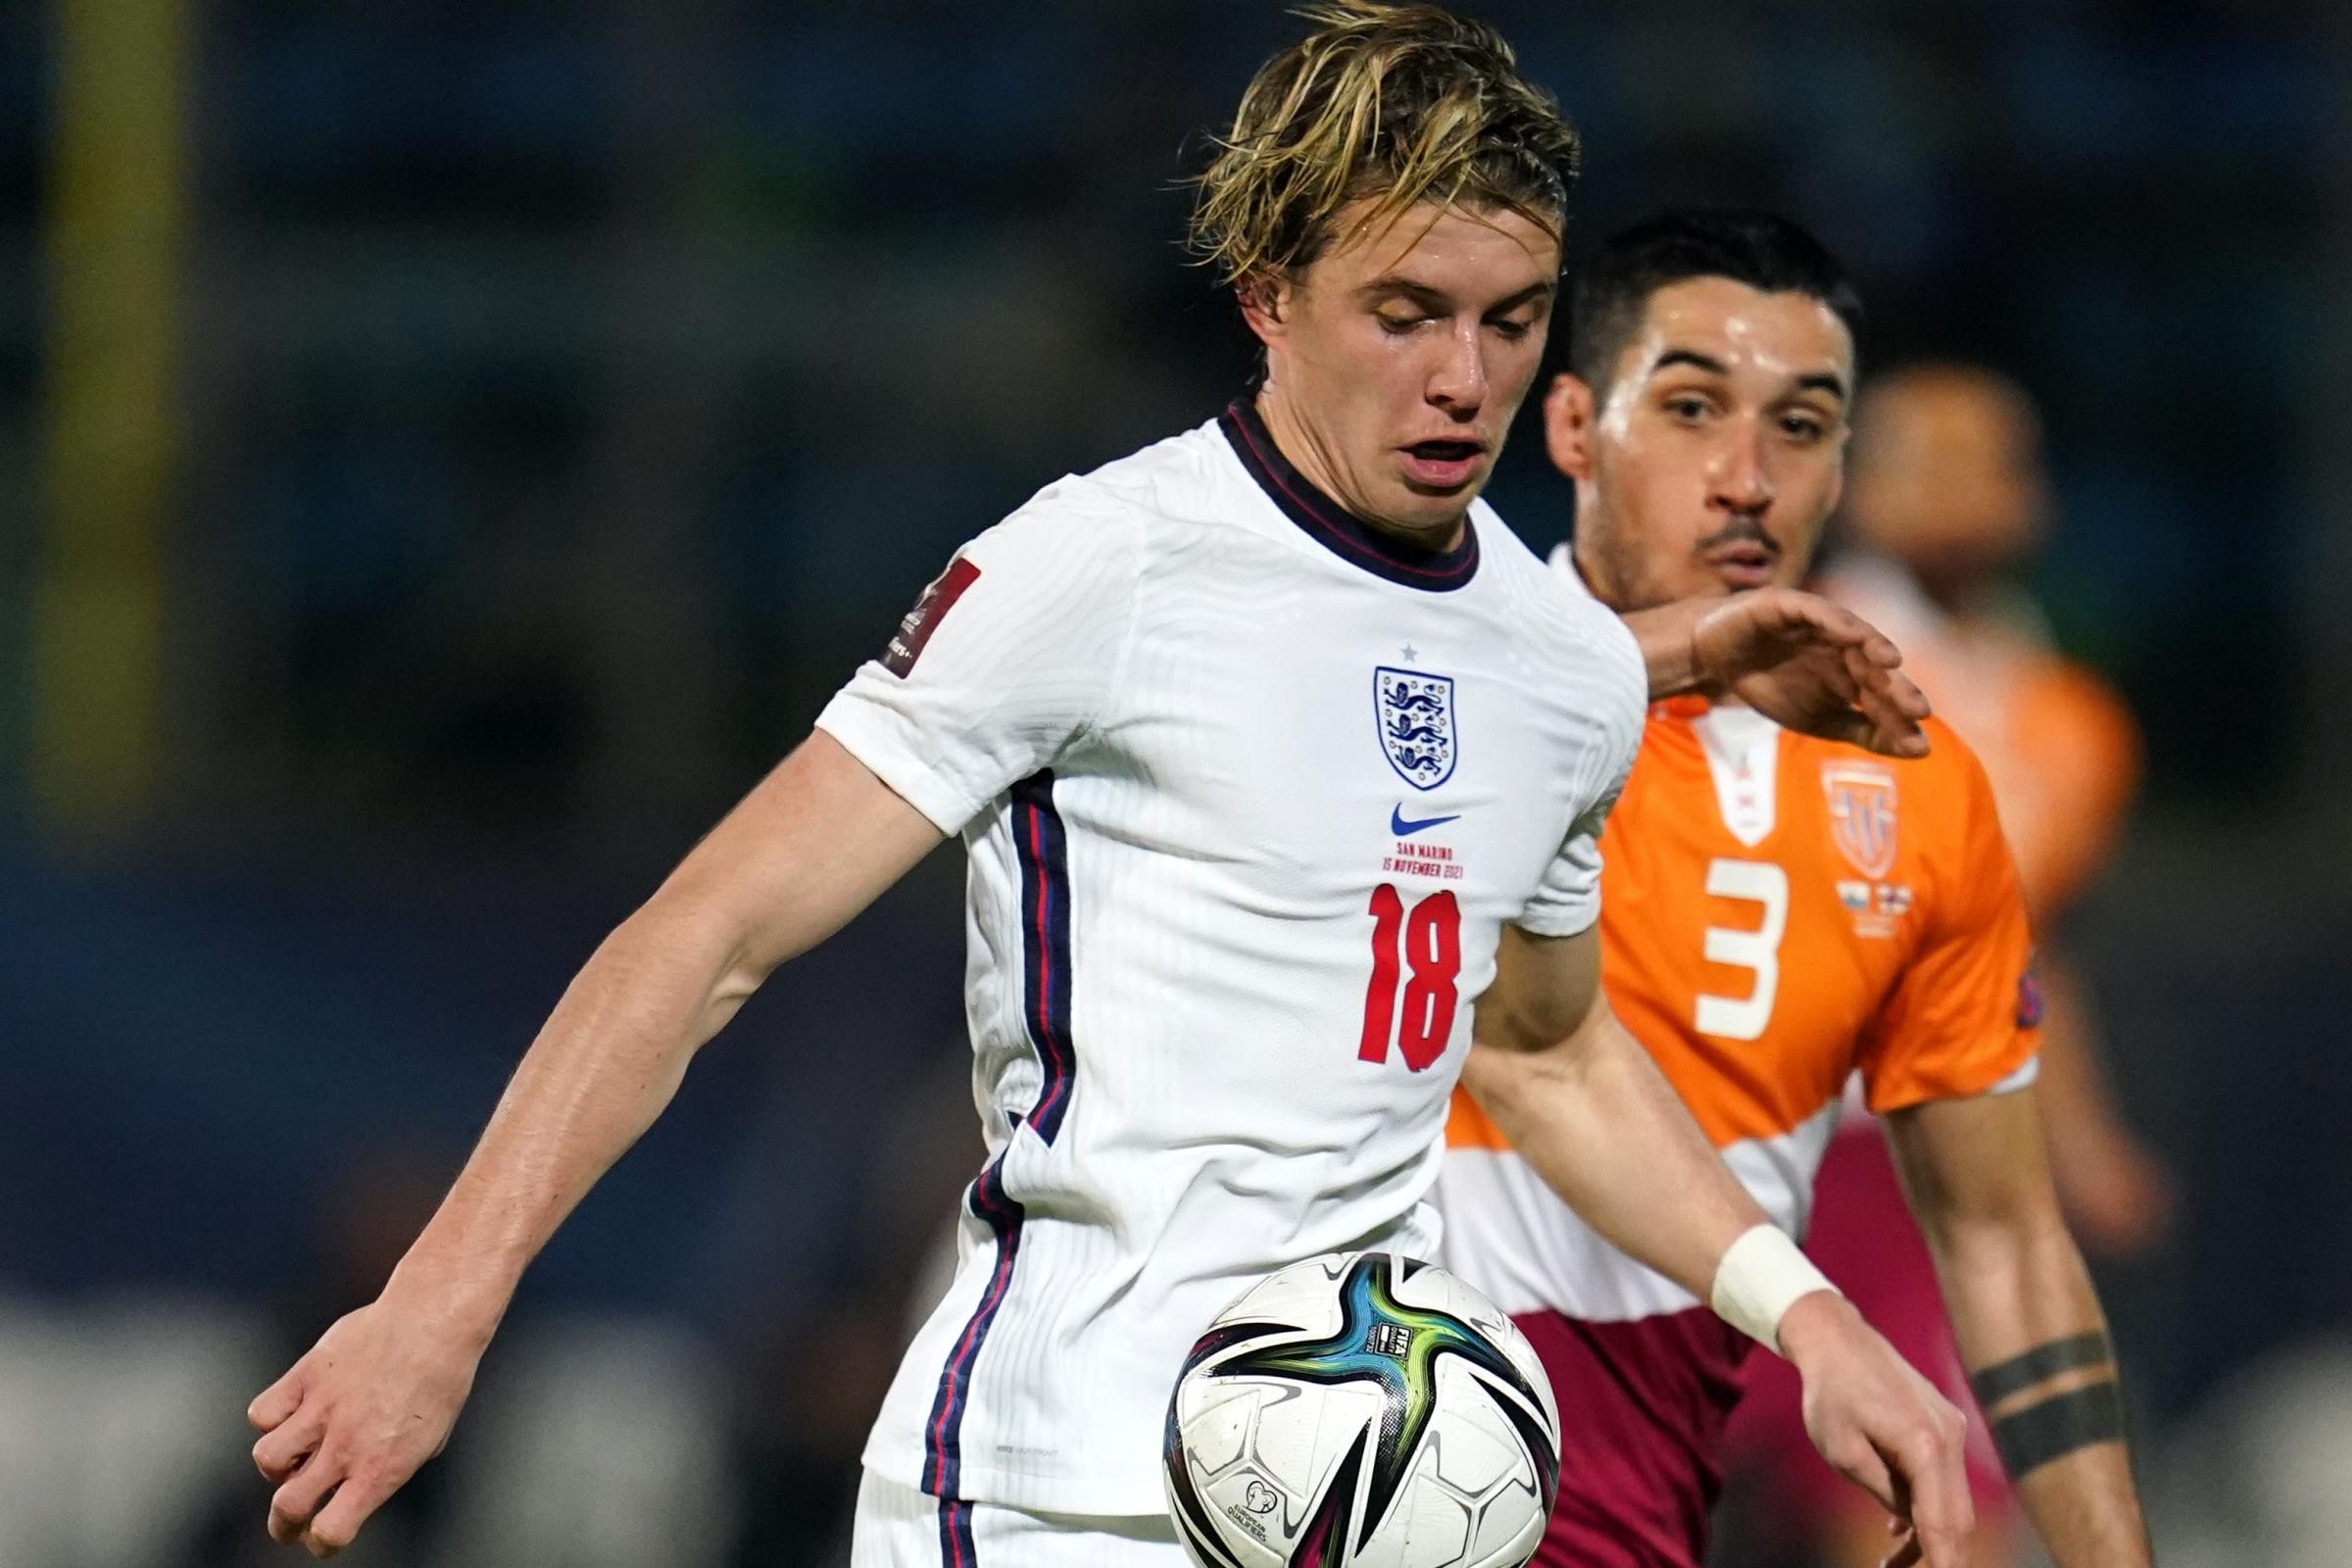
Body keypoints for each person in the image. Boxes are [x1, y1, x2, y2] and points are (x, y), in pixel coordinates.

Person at [246, 11, 1972, 1565]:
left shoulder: (1569, 667)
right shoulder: (1101, 568)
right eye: (1405, 314)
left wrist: (1811, 1319)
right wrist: (441, 1302)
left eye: (1509, 321)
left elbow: (1546, 1051)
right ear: (1269, 296)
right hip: (1054, 1492)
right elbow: (707, 936)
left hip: (1362, 1506)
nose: (1463, 378)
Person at [1435, 211, 2154, 1568]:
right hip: (1383, 1440)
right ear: (1574, 426)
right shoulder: (1428, 697)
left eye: (1803, 425)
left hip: (1681, 1435)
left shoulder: (1923, 784)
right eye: (1692, 408)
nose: (1749, 478)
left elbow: (2003, 1237)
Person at [1724, 362, 2171, 1567]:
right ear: (1856, 487)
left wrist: (2084, 1138)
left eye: (1988, 461)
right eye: (1925, 459)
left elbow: (2027, 943)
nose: (1958, 489)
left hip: (1924, 1149)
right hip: (1759, 1138)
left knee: (1923, 1501)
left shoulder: (2062, 715)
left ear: (2036, 495)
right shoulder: (1778, 663)